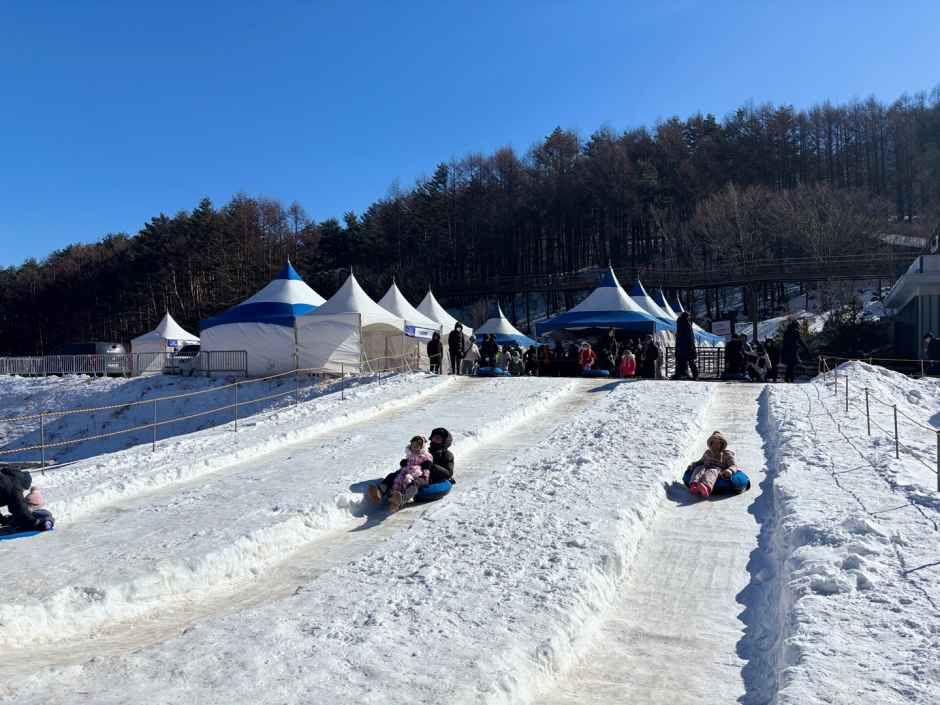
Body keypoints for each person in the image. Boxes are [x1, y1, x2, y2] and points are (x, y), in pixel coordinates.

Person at [688, 431, 736, 498]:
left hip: (718, 470)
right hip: (706, 467)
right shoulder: (708, 453)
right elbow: (701, 461)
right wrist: (693, 465)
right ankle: (694, 485)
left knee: (712, 471)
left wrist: (729, 470)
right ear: (711, 444)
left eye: (718, 443)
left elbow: (733, 465)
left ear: (722, 444)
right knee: (699, 468)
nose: (716, 444)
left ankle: (706, 487)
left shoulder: (727, 454)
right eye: (713, 442)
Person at [673, 311, 699, 380]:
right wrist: (691, 346)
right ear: (687, 317)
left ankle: (681, 374)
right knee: (691, 361)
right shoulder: (687, 324)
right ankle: (695, 375)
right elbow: (689, 336)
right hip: (687, 346)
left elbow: (679, 336)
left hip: (680, 346)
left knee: (681, 362)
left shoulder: (679, 323)